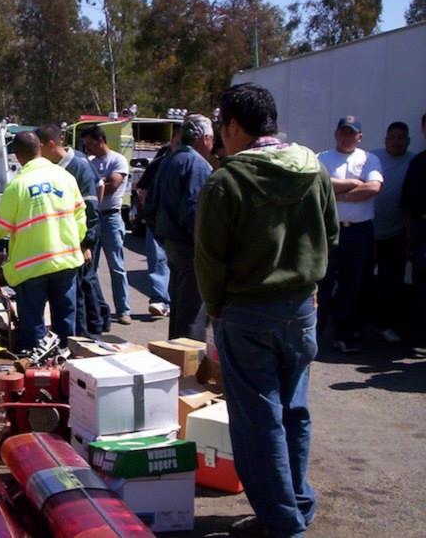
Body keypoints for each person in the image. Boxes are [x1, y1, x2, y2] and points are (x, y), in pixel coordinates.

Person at [196, 83, 337, 538]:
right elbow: (331, 234)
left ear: (234, 126)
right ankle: (296, 502)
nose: (221, 136)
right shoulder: (312, 168)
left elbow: (210, 260)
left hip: (247, 313)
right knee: (293, 410)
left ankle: (280, 521)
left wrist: (215, 311)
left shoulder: (227, 180)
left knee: (259, 422)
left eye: (223, 127)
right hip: (301, 308)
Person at [0, 131, 85, 352]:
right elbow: (80, 216)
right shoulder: (65, 177)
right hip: (66, 262)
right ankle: (67, 369)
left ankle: (37, 372)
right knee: (66, 324)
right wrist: (71, 243)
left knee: (34, 329)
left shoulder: (19, 186)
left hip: (32, 267)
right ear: (40, 149)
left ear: (18, 157)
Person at [317, 116, 383, 354]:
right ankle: (313, 336)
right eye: (343, 132)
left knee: (353, 285)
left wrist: (338, 193)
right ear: (336, 133)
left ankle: (344, 335)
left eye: (352, 133)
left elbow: (373, 187)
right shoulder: (321, 158)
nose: (347, 137)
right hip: (329, 231)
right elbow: (319, 184)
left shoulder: (369, 159)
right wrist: (355, 183)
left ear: (360, 137)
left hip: (359, 233)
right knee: (321, 285)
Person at [145, 115, 214, 342]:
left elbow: (150, 204)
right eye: (212, 137)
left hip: (172, 245)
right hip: (189, 248)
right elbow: (195, 212)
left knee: (181, 308)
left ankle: (176, 354)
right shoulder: (197, 165)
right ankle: (188, 365)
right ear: (204, 138)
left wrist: (163, 236)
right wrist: (204, 248)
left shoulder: (169, 160)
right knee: (193, 313)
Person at [36, 124, 109, 336]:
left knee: (83, 285)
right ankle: (92, 326)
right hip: (70, 237)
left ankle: (88, 333)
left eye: (40, 148)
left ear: (51, 145)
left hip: (84, 238)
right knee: (82, 285)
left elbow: (92, 207)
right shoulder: (56, 167)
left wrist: (86, 244)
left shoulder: (78, 165)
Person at [81, 126, 132, 325]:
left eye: (90, 144)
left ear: (100, 140)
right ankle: (94, 309)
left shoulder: (117, 160)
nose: (88, 149)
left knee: (116, 266)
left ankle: (123, 310)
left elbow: (112, 186)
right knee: (89, 267)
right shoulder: (90, 162)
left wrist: (97, 183)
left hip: (110, 218)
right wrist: (100, 183)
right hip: (92, 218)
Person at [371, 121, 414, 343]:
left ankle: (386, 325)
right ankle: (357, 326)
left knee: (391, 282)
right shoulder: (372, 158)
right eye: (393, 137)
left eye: (401, 137)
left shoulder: (414, 161)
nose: (397, 141)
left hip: (396, 233)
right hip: (367, 229)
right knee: (357, 279)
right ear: (385, 139)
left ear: (408, 140)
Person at [135, 123, 181, 317]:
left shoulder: (195, 162)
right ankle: (160, 300)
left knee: (178, 263)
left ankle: (175, 301)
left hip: (181, 223)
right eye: (178, 140)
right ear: (172, 141)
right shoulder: (160, 162)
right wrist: (150, 213)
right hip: (159, 220)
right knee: (158, 260)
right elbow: (141, 188)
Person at [400, 112, 426, 345]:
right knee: (422, 287)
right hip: (422, 231)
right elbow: (407, 205)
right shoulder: (418, 163)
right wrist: (409, 240)